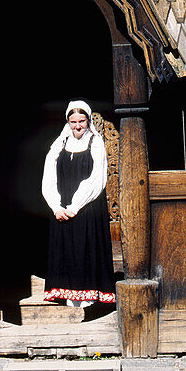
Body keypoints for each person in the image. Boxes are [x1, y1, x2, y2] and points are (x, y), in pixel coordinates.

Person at [41, 99, 116, 307]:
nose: (78, 126)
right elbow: (48, 176)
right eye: (73, 122)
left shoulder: (96, 142)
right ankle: (68, 294)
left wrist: (76, 206)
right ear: (68, 121)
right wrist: (56, 206)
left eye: (82, 121)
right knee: (67, 247)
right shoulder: (60, 143)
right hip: (62, 207)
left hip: (88, 206)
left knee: (86, 247)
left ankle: (89, 296)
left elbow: (96, 178)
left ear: (88, 121)